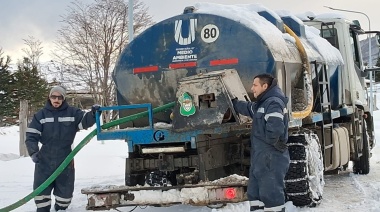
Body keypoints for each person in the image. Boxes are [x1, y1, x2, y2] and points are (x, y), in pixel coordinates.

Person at [25, 86, 101, 212]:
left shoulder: (72, 113)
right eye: (53, 97)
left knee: (64, 195)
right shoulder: (40, 115)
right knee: (41, 194)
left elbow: (84, 121)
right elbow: (31, 136)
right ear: (49, 98)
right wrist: (33, 152)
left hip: (65, 158)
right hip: (44, 159)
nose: (56, 100)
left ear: (63, 98)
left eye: (59, 97)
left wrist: (93, 114)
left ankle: (60, 209)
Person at [232, 74, 290, 212]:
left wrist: (270, 145)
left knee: (272, 196)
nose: (252, 89)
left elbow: (275, 128)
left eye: (255, 85)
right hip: (261, 157)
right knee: (255, 195)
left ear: (265, 86)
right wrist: (233, 103)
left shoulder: (273, 103)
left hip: (270, 157)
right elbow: (248, 108)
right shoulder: (262, 104)